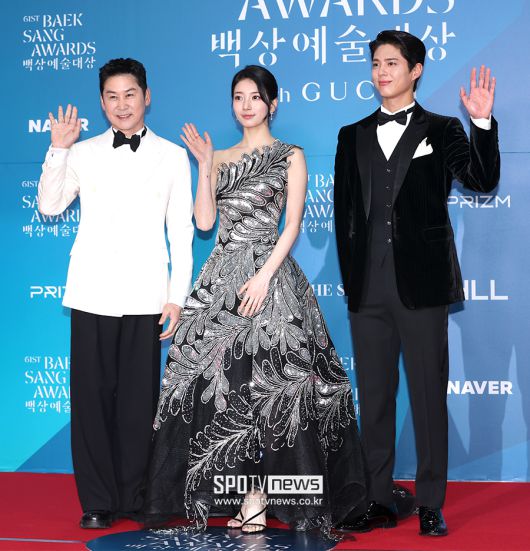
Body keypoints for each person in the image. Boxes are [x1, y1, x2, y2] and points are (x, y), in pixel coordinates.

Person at [142, 65, 366, 534]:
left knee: (274, 388)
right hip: (221, 277)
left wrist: (264, 276)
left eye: (255, 97)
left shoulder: (290, 155)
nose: (246, 105)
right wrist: (205, 166)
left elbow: (292, 225)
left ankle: (262, 497)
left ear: (272, 104)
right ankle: (242, 493)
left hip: (271, 276)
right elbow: (205, 223)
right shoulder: (220, 157)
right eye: (238, 97)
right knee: (222, 388)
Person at [334, 30, 500, 536]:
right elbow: (345, 216)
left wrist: (481, 123)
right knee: (375, 398)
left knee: (427, 397)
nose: (382, 71)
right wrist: (353, 278)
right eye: (376, 63)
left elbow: (482, 180)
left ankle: (430, 502)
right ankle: (378, 497)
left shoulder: (443, 128)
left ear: (416, 70)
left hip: (422, 287)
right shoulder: (351, 134)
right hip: (368, 289)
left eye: (392, 63)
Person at [37, 58, 194, 529]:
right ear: (101, 102)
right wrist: (58, 149)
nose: (122, 105)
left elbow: (181, 232)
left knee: (138, 403)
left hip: (147, 294)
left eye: (130, 94)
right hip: (92, 291)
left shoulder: (172, 156)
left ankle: (137, 497)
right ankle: (98, 501)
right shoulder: (82, 152)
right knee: (91, 400)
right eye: (112, 96)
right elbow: (49, 205)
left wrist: (177, 296)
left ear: (147, 97)